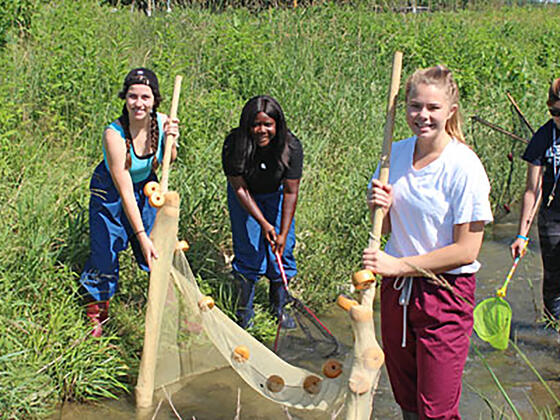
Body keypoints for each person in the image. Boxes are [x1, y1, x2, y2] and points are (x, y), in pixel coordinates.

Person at [362, 66, 493, 419]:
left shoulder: (464, 167)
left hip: (445, 293)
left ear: (450, 110)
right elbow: (387, 227)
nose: (423, 116)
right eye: (415, 106)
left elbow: (467, 250)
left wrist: (398, 265)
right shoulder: (395, 155)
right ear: (404, 108)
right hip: (398, 292)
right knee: (407, 402)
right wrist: (382, 207)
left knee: (436, 410)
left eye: (433, 108)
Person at [80, 68, 179, 337]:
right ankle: (97, 312)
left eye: (145, 97)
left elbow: (168, 161)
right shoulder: (114, 134)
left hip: (145, 187)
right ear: (125, 98)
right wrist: (139, 235)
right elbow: (124, 191)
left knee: (154, 247)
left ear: (154, 100)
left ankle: (165, 306)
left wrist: (173, 140)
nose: (139, 103)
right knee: (106, 251)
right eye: (133, 96)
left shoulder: (162, 122)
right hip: (110, 192)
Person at [222, 95, 303, 329]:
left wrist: (282, 232)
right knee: (250, 248)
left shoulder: (291, 147)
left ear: (277, 125)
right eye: (256, 124)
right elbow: (239, 187)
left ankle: (278, 307)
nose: (261, 130)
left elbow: (290, 192)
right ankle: (244, 311)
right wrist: (264, 224)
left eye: (268, 124)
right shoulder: (234, 144)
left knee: (282, 250)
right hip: (246, 195)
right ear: (247, 125)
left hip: (276, 194)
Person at [511, 78, 560, 321]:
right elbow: (532, 190)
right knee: (553, 279)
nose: (558, 117)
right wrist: (522, 234)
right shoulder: (543, 137)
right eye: (554, 112)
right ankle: (554, 330)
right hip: (552, 219)